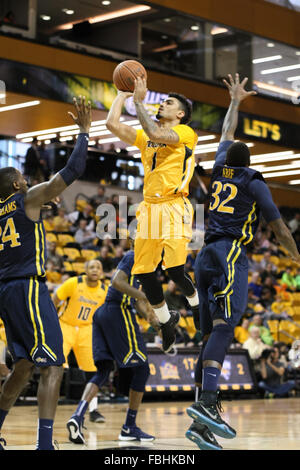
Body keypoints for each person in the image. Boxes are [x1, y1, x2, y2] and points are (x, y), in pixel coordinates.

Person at [186, 73, 300, 450]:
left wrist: (234, 102)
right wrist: (297, 258)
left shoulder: (221, 167)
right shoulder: (254, 181)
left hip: (203, 256)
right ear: (251, 162)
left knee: (209, 334)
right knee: (224, 328)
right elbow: (280, 229)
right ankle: (206, 404)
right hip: (229, 253)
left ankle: (200, 421)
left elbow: (225, 133)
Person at [0, 95, 91, 450]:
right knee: (53, 365)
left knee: (22, 367)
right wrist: (83, 132)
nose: (27, 180)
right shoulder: (27, 198)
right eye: (24, 178)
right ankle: (44, 445)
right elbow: (72, 172)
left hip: (6, 292)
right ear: (17, 186)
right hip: (26, 289)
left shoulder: (7, 209)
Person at [106, 77, 200, 353]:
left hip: (175, 205)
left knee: (173, 270)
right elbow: (112, 125)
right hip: (148, 208)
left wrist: (138, 101)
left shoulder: (185, 133)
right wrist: (122, 96)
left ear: (180, 114)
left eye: (168, 103)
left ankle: (197, 307)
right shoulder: (146, 135)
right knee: (146, 275)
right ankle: (166, 320)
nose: (162, 104)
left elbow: (159, 135)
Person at [66, 250, 159, 444]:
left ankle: (78, 415)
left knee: (103, 370)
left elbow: (135, 299)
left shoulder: (142, 264)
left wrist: (153, 320)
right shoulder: (135, 255)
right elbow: (117, 283)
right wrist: (145, 296)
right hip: (118, 312)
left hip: (104, 314)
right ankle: (129, 427)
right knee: (141, 370)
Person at [53, 260, 107, 424]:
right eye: (91, 267)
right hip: (66, 326)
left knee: (93, 369)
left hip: (87, 329)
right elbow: (55, 298)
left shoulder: (104, 291)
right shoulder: (73, 283)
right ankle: (51, 402)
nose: (95, 270)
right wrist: (51, 320)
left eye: (98, 267)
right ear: (85, 270)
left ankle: (93, 410)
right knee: (56, 366)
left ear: (102, 272)